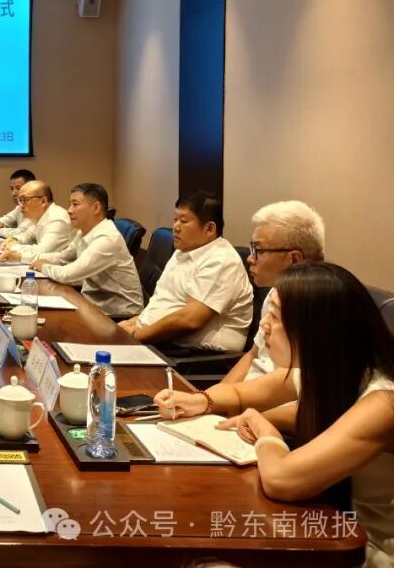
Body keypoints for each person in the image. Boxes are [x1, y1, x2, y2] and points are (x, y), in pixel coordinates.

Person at [156, 263, 394, 567]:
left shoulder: (383, 402)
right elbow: (240, 393)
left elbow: (282, 479)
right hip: (328, 519)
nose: (265, 325)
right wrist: (200, 400)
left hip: (369, 549)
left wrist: (265, 430)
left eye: (276, 316)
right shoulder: (328, 371)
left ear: (316, 328)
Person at [118, 193, 253, 351]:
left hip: (199, 356)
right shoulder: (183, 251)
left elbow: (190, 320)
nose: (175, 227)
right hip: (159, 341)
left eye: (183, 221)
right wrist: (132, 323)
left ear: (209, 229)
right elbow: (163, 301)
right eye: (175, 220)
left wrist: (136, 336)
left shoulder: (221, 261)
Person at [221, 200, 325, 384]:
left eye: (258, 250)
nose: (250, 258)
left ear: (294, 259)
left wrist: (218, 398)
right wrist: (212, 395)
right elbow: (253, 355)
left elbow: (290, 387)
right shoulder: (275, 293)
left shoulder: (318, 308)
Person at [29, 183, 142, 316]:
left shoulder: (107, 239)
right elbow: (62, 258)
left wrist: (42, 266)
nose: (69, 210)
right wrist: (32, 260)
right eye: (70, 204)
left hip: (119, 316)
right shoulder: (84, 232)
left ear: (96, 207)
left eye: (75, 204)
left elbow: (67, 275)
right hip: (93, 304)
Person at [0, 181, 73, 263]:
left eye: (25, 200)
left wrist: (12, 247)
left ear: (43, 201)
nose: (21, 205)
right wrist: (14, 239)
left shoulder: (57, 219)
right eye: (20, 200)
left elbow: (41, 252)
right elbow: (27, 235)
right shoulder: (42, 216)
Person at [0, 169, 36, 238]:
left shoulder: (36, 208)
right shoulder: (19, 207)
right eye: (12, 188)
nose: (14, 193)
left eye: (18, 188)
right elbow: (5, 219)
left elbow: (19, 232)